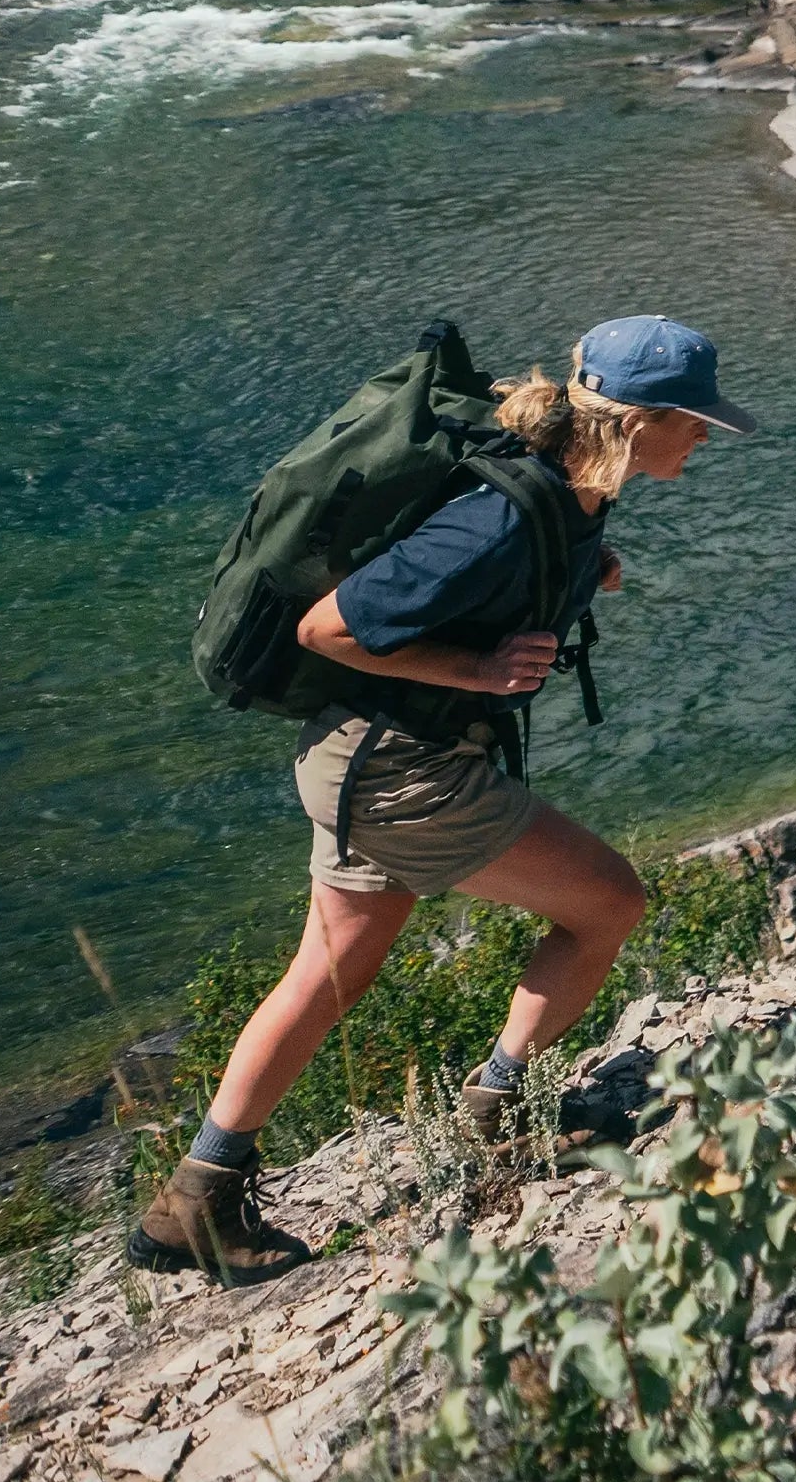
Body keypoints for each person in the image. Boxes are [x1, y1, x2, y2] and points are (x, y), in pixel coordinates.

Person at [128, 316, 755, 1287]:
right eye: (693, 420)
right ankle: (499, 1110)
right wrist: (478, 665)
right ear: (633, 422)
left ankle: (194, 1199)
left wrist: (581, 576)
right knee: (609, 905)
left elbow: (510, 574)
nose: (705, 438)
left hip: (359, 761)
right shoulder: (505, 510)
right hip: (401, 772)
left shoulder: (567, 495)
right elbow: (326, 626)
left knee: (323, 977)